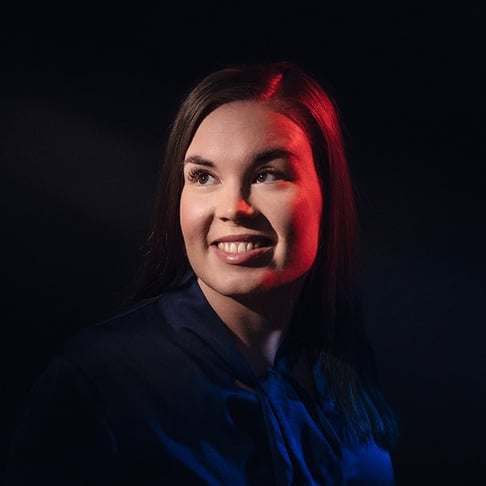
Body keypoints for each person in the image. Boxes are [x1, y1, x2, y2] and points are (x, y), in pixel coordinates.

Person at [6, 60, 399, 485]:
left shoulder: (346, 368)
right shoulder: (99, 382)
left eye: (267, 174)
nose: (233, 208)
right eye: (203, 176)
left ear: (328, 194)